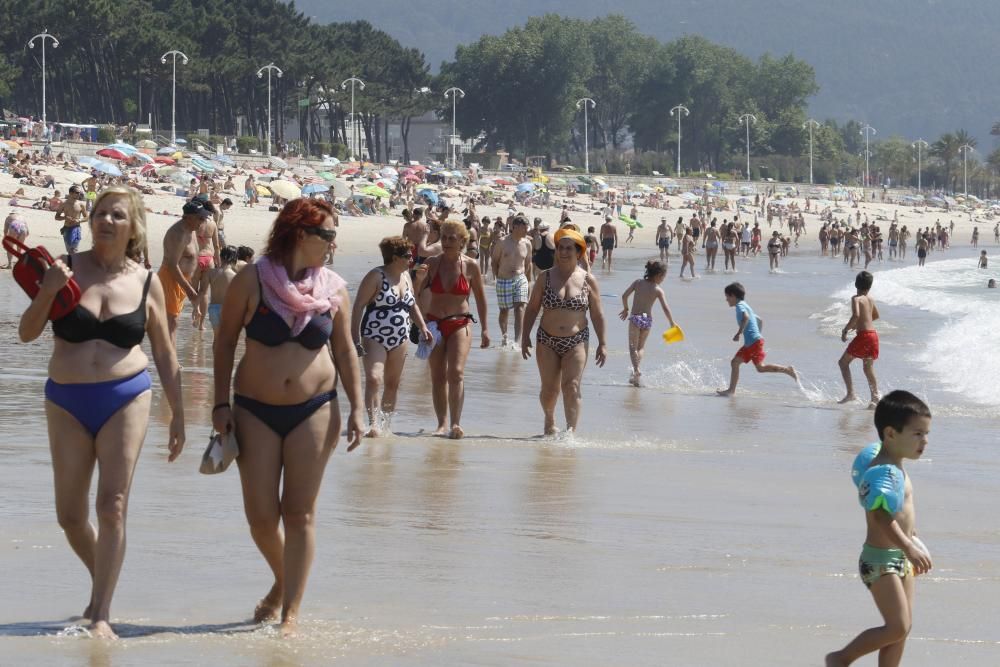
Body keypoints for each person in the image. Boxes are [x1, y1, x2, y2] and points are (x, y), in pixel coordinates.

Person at [17, 186, 184, 639]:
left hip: (125, 395)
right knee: (70, 516)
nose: (106, 221)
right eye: (100, 214)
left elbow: (166, 355)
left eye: (116, 215)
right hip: (67, 400)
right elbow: (27, 334)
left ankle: (101, 613)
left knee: (112, 505)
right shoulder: (64, 269)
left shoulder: (148, 281)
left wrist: (180, 415)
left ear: (133, 227)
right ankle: (104, 580)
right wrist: (47, 292)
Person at [212, 198, 363, 637]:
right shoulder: (252, 280)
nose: (334, 245)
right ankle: (283, 581)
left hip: (315, 409)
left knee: (299, 513)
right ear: (302, 234)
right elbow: (223, 344)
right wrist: (220, 404)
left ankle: (290, 613)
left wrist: (358, 407)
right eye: (329, 235)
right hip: (254, 409)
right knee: (261, 517)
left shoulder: (334, 288)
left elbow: (346, 350)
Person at [826, 391, 933, 667]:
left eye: (926, 433)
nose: (925, 441)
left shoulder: (896, 466)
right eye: (918, 434)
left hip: (900, 558)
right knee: (896, 626)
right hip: (879, 560)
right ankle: (840, 658)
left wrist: (914, 540)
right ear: (890, 433)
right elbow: (880, 514)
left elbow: (902, 511)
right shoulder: (884, 471)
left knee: (902, 631)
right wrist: (908, 546)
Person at [521, 228, 607, 434]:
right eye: (560, 248)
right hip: (546, 340)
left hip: (577, 340)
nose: (564, 252)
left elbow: (597, 314)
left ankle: (570, 433)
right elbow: (532, 308)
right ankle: (549, 419)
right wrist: (524, 337)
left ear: (579, 253)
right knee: (549, 390)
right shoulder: (545, 277)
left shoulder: (588, 280)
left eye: (569, 248)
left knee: (572, 386)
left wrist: (603, 343)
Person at [414, 220, 490, 439]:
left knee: (455, 372)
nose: (446, 242)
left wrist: (485, 329)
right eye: (444, 237)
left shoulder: (470, 266)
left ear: (462, 241)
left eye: (451, 238)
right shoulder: (432, 263)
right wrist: (418, 281)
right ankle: (441, 423)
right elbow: (415, 296)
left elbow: (481, 300)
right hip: (434, 324)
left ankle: (456, 423)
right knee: (438, 376)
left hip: (460, 323)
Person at [351, 236, 431, 436]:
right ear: (394, 257)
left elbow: (412, 305)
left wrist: (422, 327)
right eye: (407, 256)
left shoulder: (406, 277)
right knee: (374, 378)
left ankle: (386, 426)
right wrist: (354, 338)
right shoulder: (376, 276)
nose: (411, 259)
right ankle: (372, 424)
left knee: (393, 383)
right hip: (374, 335)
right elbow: (358, 306)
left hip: (401, 337)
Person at [716, 282, 797, 396]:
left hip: (753, 342)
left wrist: (739, 333)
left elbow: (746, 318)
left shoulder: (740, 307)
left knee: (760, 368)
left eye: (727, 296)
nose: (726, 299)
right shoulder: (745, 305)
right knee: (735, 363)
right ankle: (731, 391)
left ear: (733, 296)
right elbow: (759, 320)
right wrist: (756, 335)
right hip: (752, 342)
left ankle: (788, 370)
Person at [159, 199, 212, 345]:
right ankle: (171, 362)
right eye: (200, 218)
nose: (203, 221)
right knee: (172, 322)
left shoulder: (191, 230)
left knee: (172, 321)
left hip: (182, 279)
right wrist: (190, 291)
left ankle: (170, 358)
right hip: (170, 278)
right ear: (188, 217)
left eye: (204, 217)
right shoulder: (178, 234)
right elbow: (172, 265)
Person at [619, 261, 676, 387]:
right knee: (641, 347)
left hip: (635, 318)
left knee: (632, 347)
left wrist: (626, 308)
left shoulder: (638, 283)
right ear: (658, 275)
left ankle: (636, 370)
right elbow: (665, 308)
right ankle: (635, 373)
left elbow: (624, 296)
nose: (663, 280)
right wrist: (672, 323)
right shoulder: (658, 290)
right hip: (647, 320)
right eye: (663, 277)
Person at [838, 271, 881, 407]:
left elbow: (856, 315)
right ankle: (875, 398)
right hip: (873, 335)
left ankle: (851, 393)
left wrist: (846, 330)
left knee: (843, 363)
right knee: (868, 368)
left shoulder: (856, 299)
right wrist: (861, 323)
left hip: (863, 336)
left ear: (856, 284)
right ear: (870, 286)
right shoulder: (871, 299)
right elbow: (874, 316)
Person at [492, 215, 533, 346]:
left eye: (527, 227)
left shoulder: (527, 243)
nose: (527, 230)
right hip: (503, 279)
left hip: (520, 279)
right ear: (515, 226)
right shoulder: (502, 242)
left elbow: (528, 263)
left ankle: (517, 341)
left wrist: (527, 279)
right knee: (504, 311)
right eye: (524, 227)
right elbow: (494, 262)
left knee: (520, 307)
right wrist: (497, 278)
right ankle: (504, 337)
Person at [193, 201, 222, 330]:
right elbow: (216, 246)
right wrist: (219, 263)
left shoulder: (195, 223)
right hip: (209, 258)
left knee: (193, 291)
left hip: (196, 257)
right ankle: (202, 325)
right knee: (204, 293)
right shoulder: (213, 224)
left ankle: (195, 311)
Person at [200, 244, 238, 332]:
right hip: (227, 309)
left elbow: (202, 292)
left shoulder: (210, 273)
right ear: (235, 259)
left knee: (216, 339)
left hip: (213, 309)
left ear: (220, 257)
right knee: (226, 339)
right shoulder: (235, 276)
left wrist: (195, 307)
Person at [54, 186, 88, 254]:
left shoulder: (81, 204)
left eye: (80, 193)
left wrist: (79, 220)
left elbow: (87, 217)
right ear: (70, 193)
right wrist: (64, 217)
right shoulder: (64, 204)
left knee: (74, 251)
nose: (79, 194)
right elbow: (56, 217)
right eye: (77, 193)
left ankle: (74, 263)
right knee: (69, 251)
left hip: (76, 228)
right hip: (66, 229)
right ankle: (71, 263)